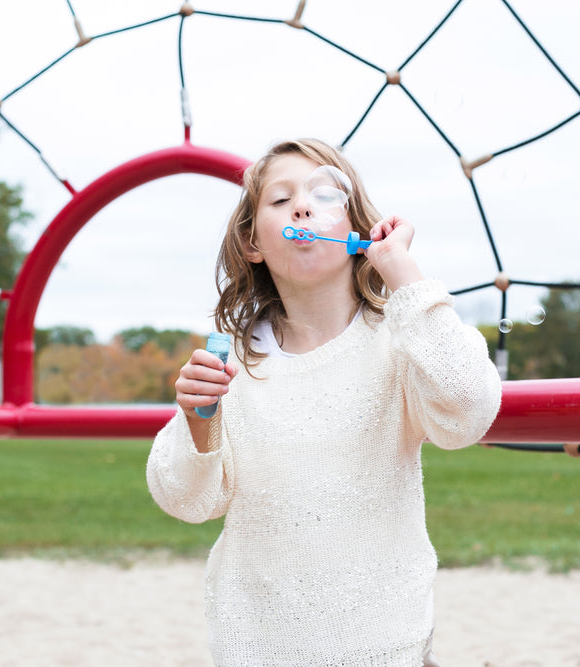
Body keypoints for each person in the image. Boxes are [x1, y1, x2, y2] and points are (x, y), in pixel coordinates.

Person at [146, 138, 502, 665]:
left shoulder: (400, 339)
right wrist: (200, 419)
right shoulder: (233, 361)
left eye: (325, 194)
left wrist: (400, 270)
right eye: (280, 199)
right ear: (252, 244)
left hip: (384, 643)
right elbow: (187, 500)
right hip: (255, 643)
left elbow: (469, 409)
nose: (302, 206)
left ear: (355, 230)